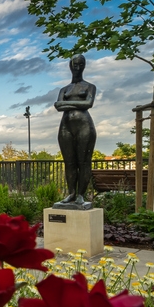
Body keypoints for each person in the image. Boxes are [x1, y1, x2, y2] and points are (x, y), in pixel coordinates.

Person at [54, 54, 96, 207]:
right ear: (70, 66)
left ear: (84, 66)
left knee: (83, 162)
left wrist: (66, 104)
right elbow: (58, 106)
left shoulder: (89, 86)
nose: (77, 67)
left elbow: (88, 103)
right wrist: (78, 103)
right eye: (75, 64)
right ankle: (71, 193)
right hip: (66, 126)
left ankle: (80, 195)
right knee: (69, 163)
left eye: (80, 64)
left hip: (84, 126)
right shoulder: (64, 89)